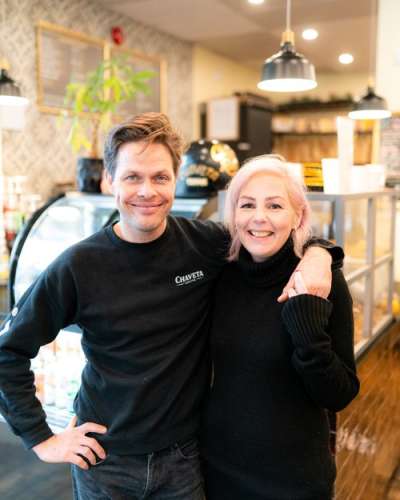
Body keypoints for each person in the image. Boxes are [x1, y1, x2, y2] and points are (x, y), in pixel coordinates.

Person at [0, 113, 340, 499]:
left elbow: (265, 231)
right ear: (109, 180)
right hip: (106, 463)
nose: (147, 190)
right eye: (132, 177)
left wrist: (320, 253)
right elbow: (8, 351)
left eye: (160, 177)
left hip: (184, 460)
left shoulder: (204, 244)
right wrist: (41, 438)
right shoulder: (78, 265)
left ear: (175, 180)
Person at [201, 155, 360, 500]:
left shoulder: (321, 279)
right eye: (247, 205)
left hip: (294, 480)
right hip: (219, 471)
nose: (259, 218)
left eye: (274, 205)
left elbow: (339, 393)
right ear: (233, 215)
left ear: (297, 215)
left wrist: (307, 327)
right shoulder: (221, 273)